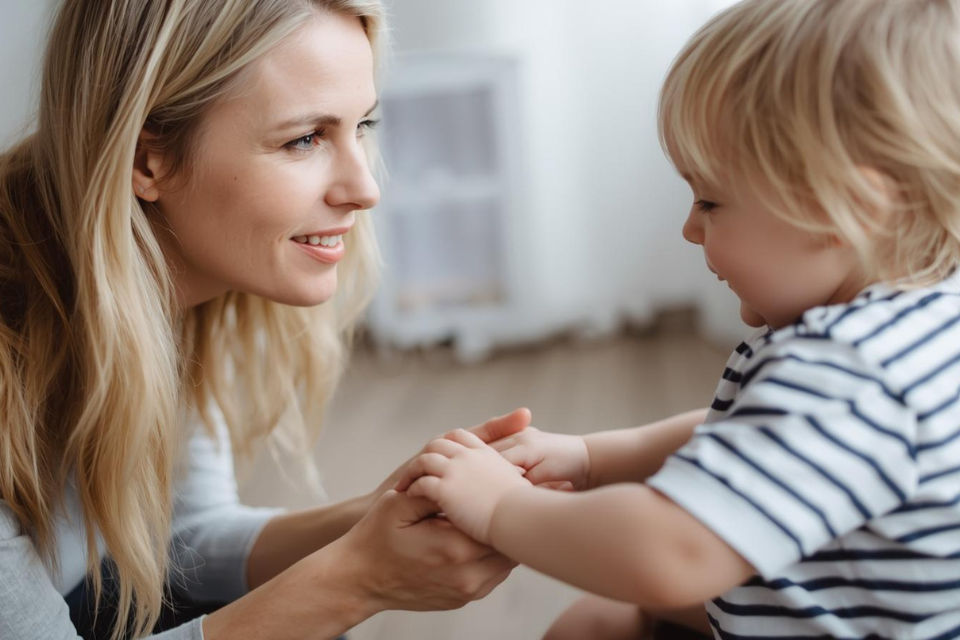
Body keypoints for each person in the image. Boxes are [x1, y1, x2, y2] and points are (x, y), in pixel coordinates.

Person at [394, 0, 960, 637]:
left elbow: (670, 553)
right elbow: (752, 433)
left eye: (710, 201)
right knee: (598, 625)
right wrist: (596, 457)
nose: (690, 229)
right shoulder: (921, 324)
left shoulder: (853, 369)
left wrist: (500, 506)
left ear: (847, 208)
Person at [0, 1, 530, 639]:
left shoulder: (174, 287)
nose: (366, 189)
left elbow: (184, 537)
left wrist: (386, 512)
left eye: (362, 125)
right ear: (146, 162)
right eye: (305, 139)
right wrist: (356, 580)